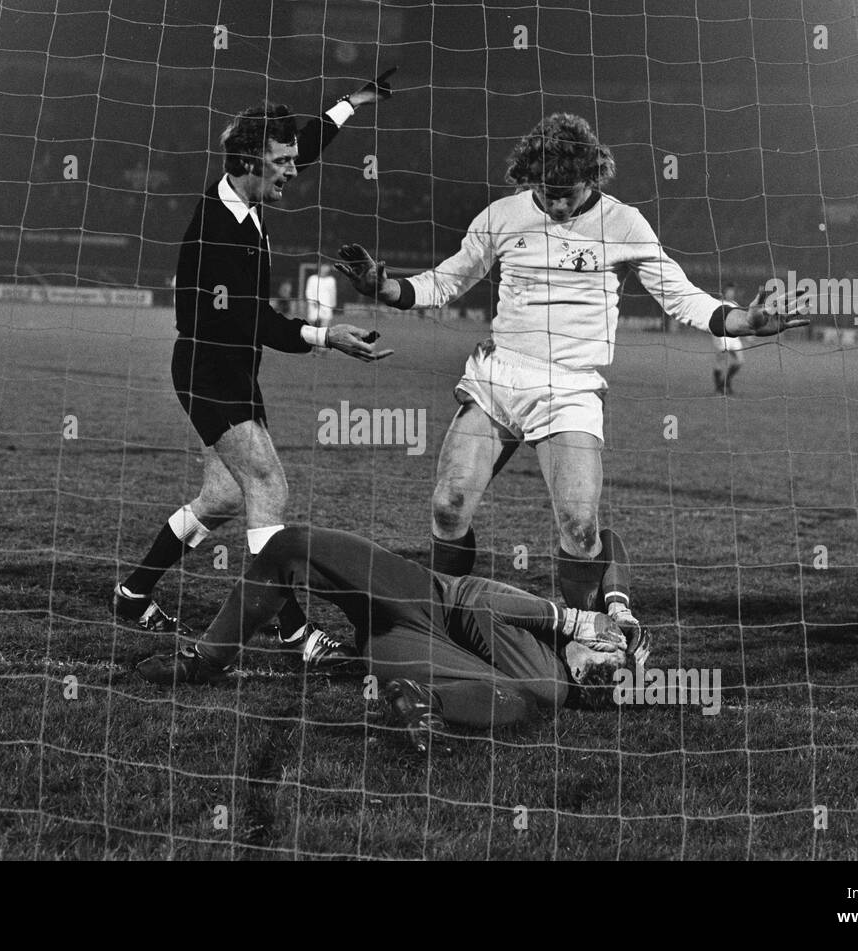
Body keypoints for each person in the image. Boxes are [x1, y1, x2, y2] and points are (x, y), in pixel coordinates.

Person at [336, 112, 808, 633]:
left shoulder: (623, 223)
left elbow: (680, 296)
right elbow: (445, 282)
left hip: (572, 386)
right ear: (529, 178)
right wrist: (385, 290)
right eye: (547, 191)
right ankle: (446, 626)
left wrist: (743, 319)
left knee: (581, 528)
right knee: (448, 507)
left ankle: (583, 635)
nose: (558, 204)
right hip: (500, 376)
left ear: (594, 176)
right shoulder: (501, 216)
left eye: (569, 192)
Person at [113, 72, 397, 658]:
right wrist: (327, 336)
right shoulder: (219, 232)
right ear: (248, 163)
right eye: (281, 163)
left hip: (233, 370)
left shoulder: (246, 191)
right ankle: (293, 628)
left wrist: (350, 104)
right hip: (209, 371)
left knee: (220, 498)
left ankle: (133, 592)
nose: (294, 171)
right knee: (268, 484)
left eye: (292, 161)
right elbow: (254, 321)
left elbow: (303, 145)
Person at [134, 526, 650, 753]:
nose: (608, 646)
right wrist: (618, 608)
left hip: (417, 634)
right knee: (288, 545)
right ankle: (206, 659)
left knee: (515, 698)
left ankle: (428, 702)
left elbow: (474, 602)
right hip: (414, 599)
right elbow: (607, 538)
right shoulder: (580, 635)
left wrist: (572, 622)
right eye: (611, 649)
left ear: (588, 671)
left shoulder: (557, 677)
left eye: (604, 657)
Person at [713, 282, 745, 394]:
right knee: (720, 361)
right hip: (722, 335)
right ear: (724, 292)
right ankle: (718, 387)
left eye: (732, 291)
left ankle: (725, 382)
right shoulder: (717, 304)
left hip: (734, 337)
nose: (731, 293)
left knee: (740, 361)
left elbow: (741, 321)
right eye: (729, 291)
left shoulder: (735, 304)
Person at [304, 262, 338, 327]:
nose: (325, 269)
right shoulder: (312, 278)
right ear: (320, 267)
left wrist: (333, 304)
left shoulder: (331, 280)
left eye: (327, 267)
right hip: (314, 305)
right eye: (324, 266)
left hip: (327, 306)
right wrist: (312, 301)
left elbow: (333, 293)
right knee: (312, 326)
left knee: (325, 326)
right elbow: (308, 291)